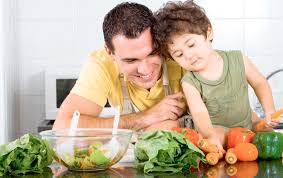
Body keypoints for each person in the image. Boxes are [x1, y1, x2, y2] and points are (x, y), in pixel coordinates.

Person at [154, 0, 280, 154]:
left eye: (191, 45)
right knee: (216, 138)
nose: (188, 55)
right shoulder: (189, 82)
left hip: (246, 123)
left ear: (208, 33)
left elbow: (260, 83)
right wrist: (209, 135)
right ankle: (229, 148)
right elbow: (199, 114)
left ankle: (247, 141)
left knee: (270, 135)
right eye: (179, 54)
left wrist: (269, 111)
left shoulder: (238, 59)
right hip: (217, 129)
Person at [53, 2, 187, 131]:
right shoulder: (102, 64)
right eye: (131, 60)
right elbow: (62, 128)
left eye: (153, 53)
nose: (145, 70)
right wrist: (146, 117)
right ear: (110, 52)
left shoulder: (180, 50)